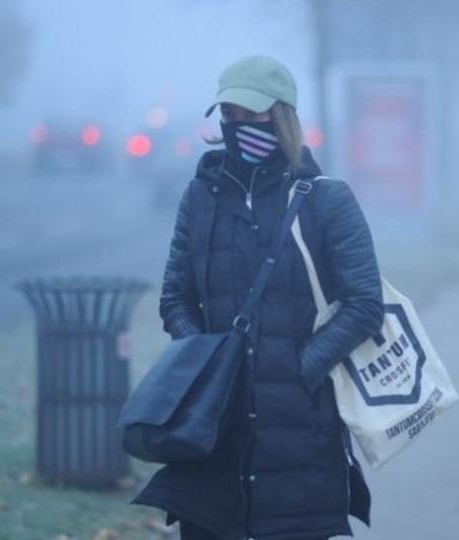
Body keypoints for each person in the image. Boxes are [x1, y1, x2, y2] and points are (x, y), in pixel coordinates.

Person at [132, 55, 385, 540]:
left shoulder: (326, 200)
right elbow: (174, 296)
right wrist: (205, 362)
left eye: (252, 116)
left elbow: (364, 303)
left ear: (283, 116)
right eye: (229, 116)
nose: (239, 126)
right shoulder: (201, 196)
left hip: (299, 435)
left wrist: (301, 368)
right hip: (212, 430)